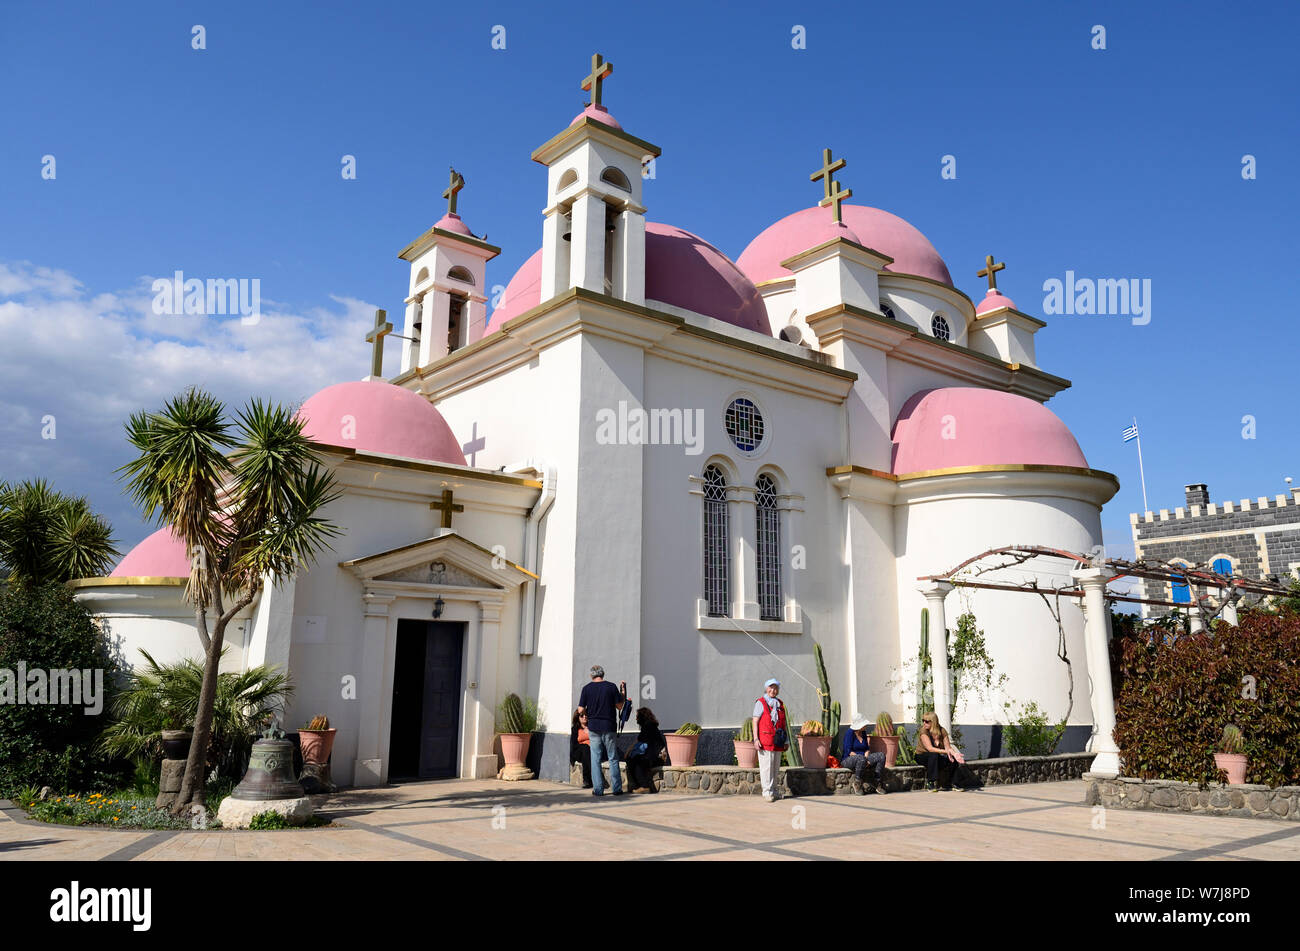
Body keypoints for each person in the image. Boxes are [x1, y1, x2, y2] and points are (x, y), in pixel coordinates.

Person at [577, 665, 628, 797]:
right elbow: (619, 706)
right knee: (612, 757)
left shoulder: (586, 689)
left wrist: (589, 710)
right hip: (609, 726)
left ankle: (598, 790)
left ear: (591, 675)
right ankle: (617, 789)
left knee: (595, 758)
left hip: (594, 727)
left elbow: (580, 710)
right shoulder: (611, 687)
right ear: (603, 674)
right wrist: (623, 692)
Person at [752, 678, 788, 802]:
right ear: (766, 689)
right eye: (770, 688)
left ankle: (774, 790)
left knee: (775, 767)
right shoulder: (760, 703)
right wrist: (756, 739)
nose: (773, 690)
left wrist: (786, 741)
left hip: (778, 740)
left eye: (775, 688)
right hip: (765, 739)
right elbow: (755, 721)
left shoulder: (780, 704)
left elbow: (783, 723)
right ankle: (766, 791)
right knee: (766, 767)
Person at [915, 712, 964, 791]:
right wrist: (946, 752)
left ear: (933, 722)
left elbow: (948, 747)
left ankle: (954, 783)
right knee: (933, 754)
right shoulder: (924, 731)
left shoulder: (942, 731)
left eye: (926, 721)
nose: (924, 723)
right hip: (921, 756)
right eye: (923, 720)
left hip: (935, 757)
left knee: (952, 760)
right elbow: (930, 748)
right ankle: (930, 782)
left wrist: (954, 754)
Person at [841, 714, 888, 794]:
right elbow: (848, 751)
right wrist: (864, 759)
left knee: (881, 756)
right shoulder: (850, 733)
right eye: (864, 724)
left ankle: (877, 782)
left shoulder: (863, 733)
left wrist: (866, 757)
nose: (866, 725)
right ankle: (857, 783)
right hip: (848, 759)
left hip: (863, 758)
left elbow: (866, 749)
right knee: (861, 758)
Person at [625, 707, 667, 792]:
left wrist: (630, 752)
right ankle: (634, 786)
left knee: (637, 761)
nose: (636, 718)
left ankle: (644, 786)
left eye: (637, 716)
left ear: (642, 717)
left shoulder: (648, 727)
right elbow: (640, 741)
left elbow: (646, 745)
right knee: (632, 759)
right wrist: (630, 751)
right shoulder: (648, 726)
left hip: (656, 757)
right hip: (652, 755)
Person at [569, 709, 593, 788]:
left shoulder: (592, 727)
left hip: (591, 750)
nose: (584, 717)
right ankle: (589, 778)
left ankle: (587, 780)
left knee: (587, 752)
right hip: (579, 751)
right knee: (585, 749)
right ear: (578, 717)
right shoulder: (575, 728)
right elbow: (574, 744)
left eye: (586, 715)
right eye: (582, 715)